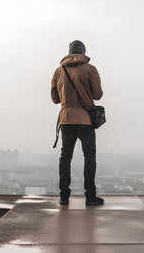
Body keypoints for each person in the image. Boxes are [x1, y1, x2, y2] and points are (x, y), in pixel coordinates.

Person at [51, 40, 104, 206]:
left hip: (66, 119)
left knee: (65, 157)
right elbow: (98, 95)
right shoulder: (90, 69)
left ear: (69, 52)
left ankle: (64, 196)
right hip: (85, 120)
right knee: (89, 157)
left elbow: (54, 99)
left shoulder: (59, 70)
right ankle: (90, 196)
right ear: (83, 52)